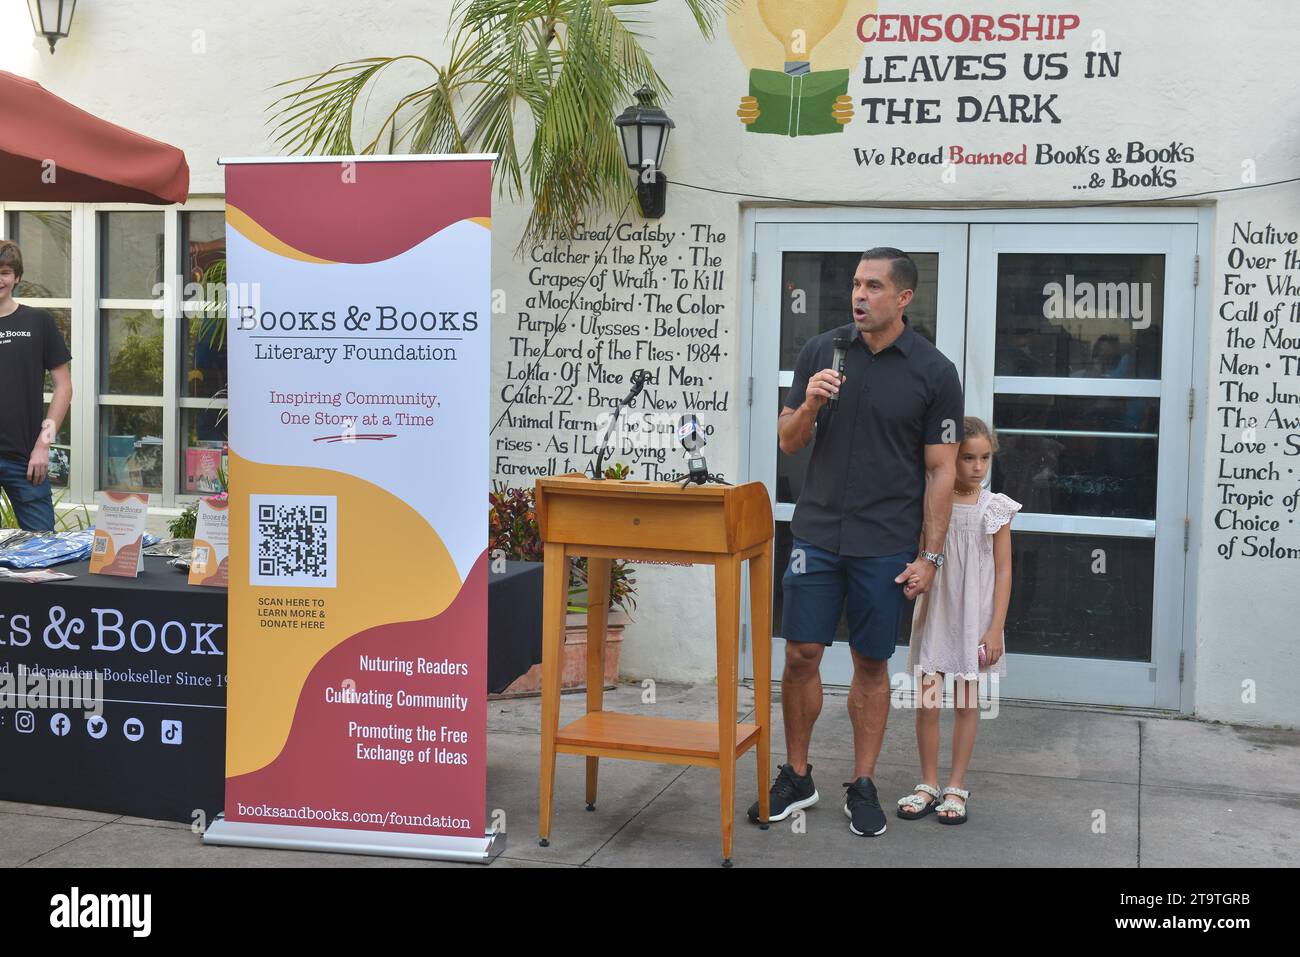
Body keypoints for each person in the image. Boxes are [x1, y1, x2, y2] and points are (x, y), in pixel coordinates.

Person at [750, 247, 963, 838]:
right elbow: (789, 441)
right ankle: (797, 775)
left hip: (885, 541)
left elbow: (942, 470)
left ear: (903, 298)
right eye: (855, 284)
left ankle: (863, 782)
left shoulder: (933, 371)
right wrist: (812, 403)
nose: (859, 295)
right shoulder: (822, 350)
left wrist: (931, 555)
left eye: (873, 286)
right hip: (816, 532)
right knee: (800, 656)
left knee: (872, 663)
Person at [896, 417, 1019, 825]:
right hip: (937, 614)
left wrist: (995, 626)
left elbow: (1004, 571)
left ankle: (956, 786)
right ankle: (927, 783)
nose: (978, 466)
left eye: (985, 458)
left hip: (974, 620)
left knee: (967, 704)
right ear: (952, 457)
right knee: (928, 703)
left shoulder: (995, 508)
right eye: (968, 457)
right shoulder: (934, 501)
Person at [0, 240, 73, 531]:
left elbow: (64, 387)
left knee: (43, 551)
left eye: (4, 272)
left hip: (26, 458)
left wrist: (43, 446)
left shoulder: (37, 321)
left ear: (17, 277)